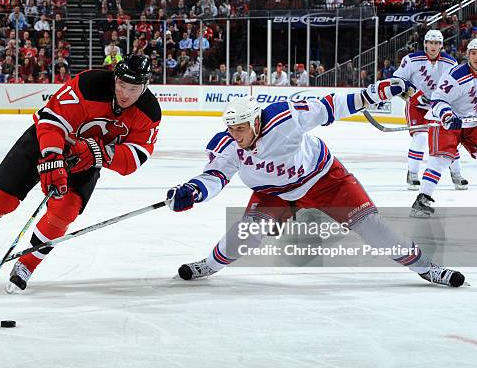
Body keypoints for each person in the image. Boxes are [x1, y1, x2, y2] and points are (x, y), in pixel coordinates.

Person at [166, 79, 465, 288]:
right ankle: (209, 264)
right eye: (231, 129)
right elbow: (215, 177)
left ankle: (428, 268)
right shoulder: (228, 144)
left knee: (374, 229)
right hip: (276, 193)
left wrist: (375, 93)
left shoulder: (285, 118)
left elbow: (331, 106)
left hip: (325, 180)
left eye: (241, 128)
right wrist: (192, 192)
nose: (236, 135)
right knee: (246, 234)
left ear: (256, 122)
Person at [0, 55, 162, 292]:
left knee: (64, 211)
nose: (125, 94)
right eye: (121, 84)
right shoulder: (89, 84)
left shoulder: (149, 112)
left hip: (86, 159)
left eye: (133, 88)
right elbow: (51, 120)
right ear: (115, 78)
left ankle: (27, 264)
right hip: (45, 143)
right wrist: (51, 157)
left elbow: (135, 157)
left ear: (145, 86)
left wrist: (97, 153)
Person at [392, 30, 467, 190]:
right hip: (416, 106)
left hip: (439, 107)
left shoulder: (451, 62)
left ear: (441, 45)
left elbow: (457, 86)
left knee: (449, 139)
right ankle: (412, 174)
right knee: (420, 138)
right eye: (430, 42)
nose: (433, 46)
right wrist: (413, 95)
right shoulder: (411, 60)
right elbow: (396, 82)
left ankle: (457, 174)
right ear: (425, 43)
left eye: (437, 43)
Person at [411, 38, 477, 217]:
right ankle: (421, 200)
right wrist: (447, 115)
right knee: (440, 159)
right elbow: (438, 99)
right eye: (473, 53)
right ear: (467, 55)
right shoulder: (456, 75)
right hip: (446, 121)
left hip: (471, 123)